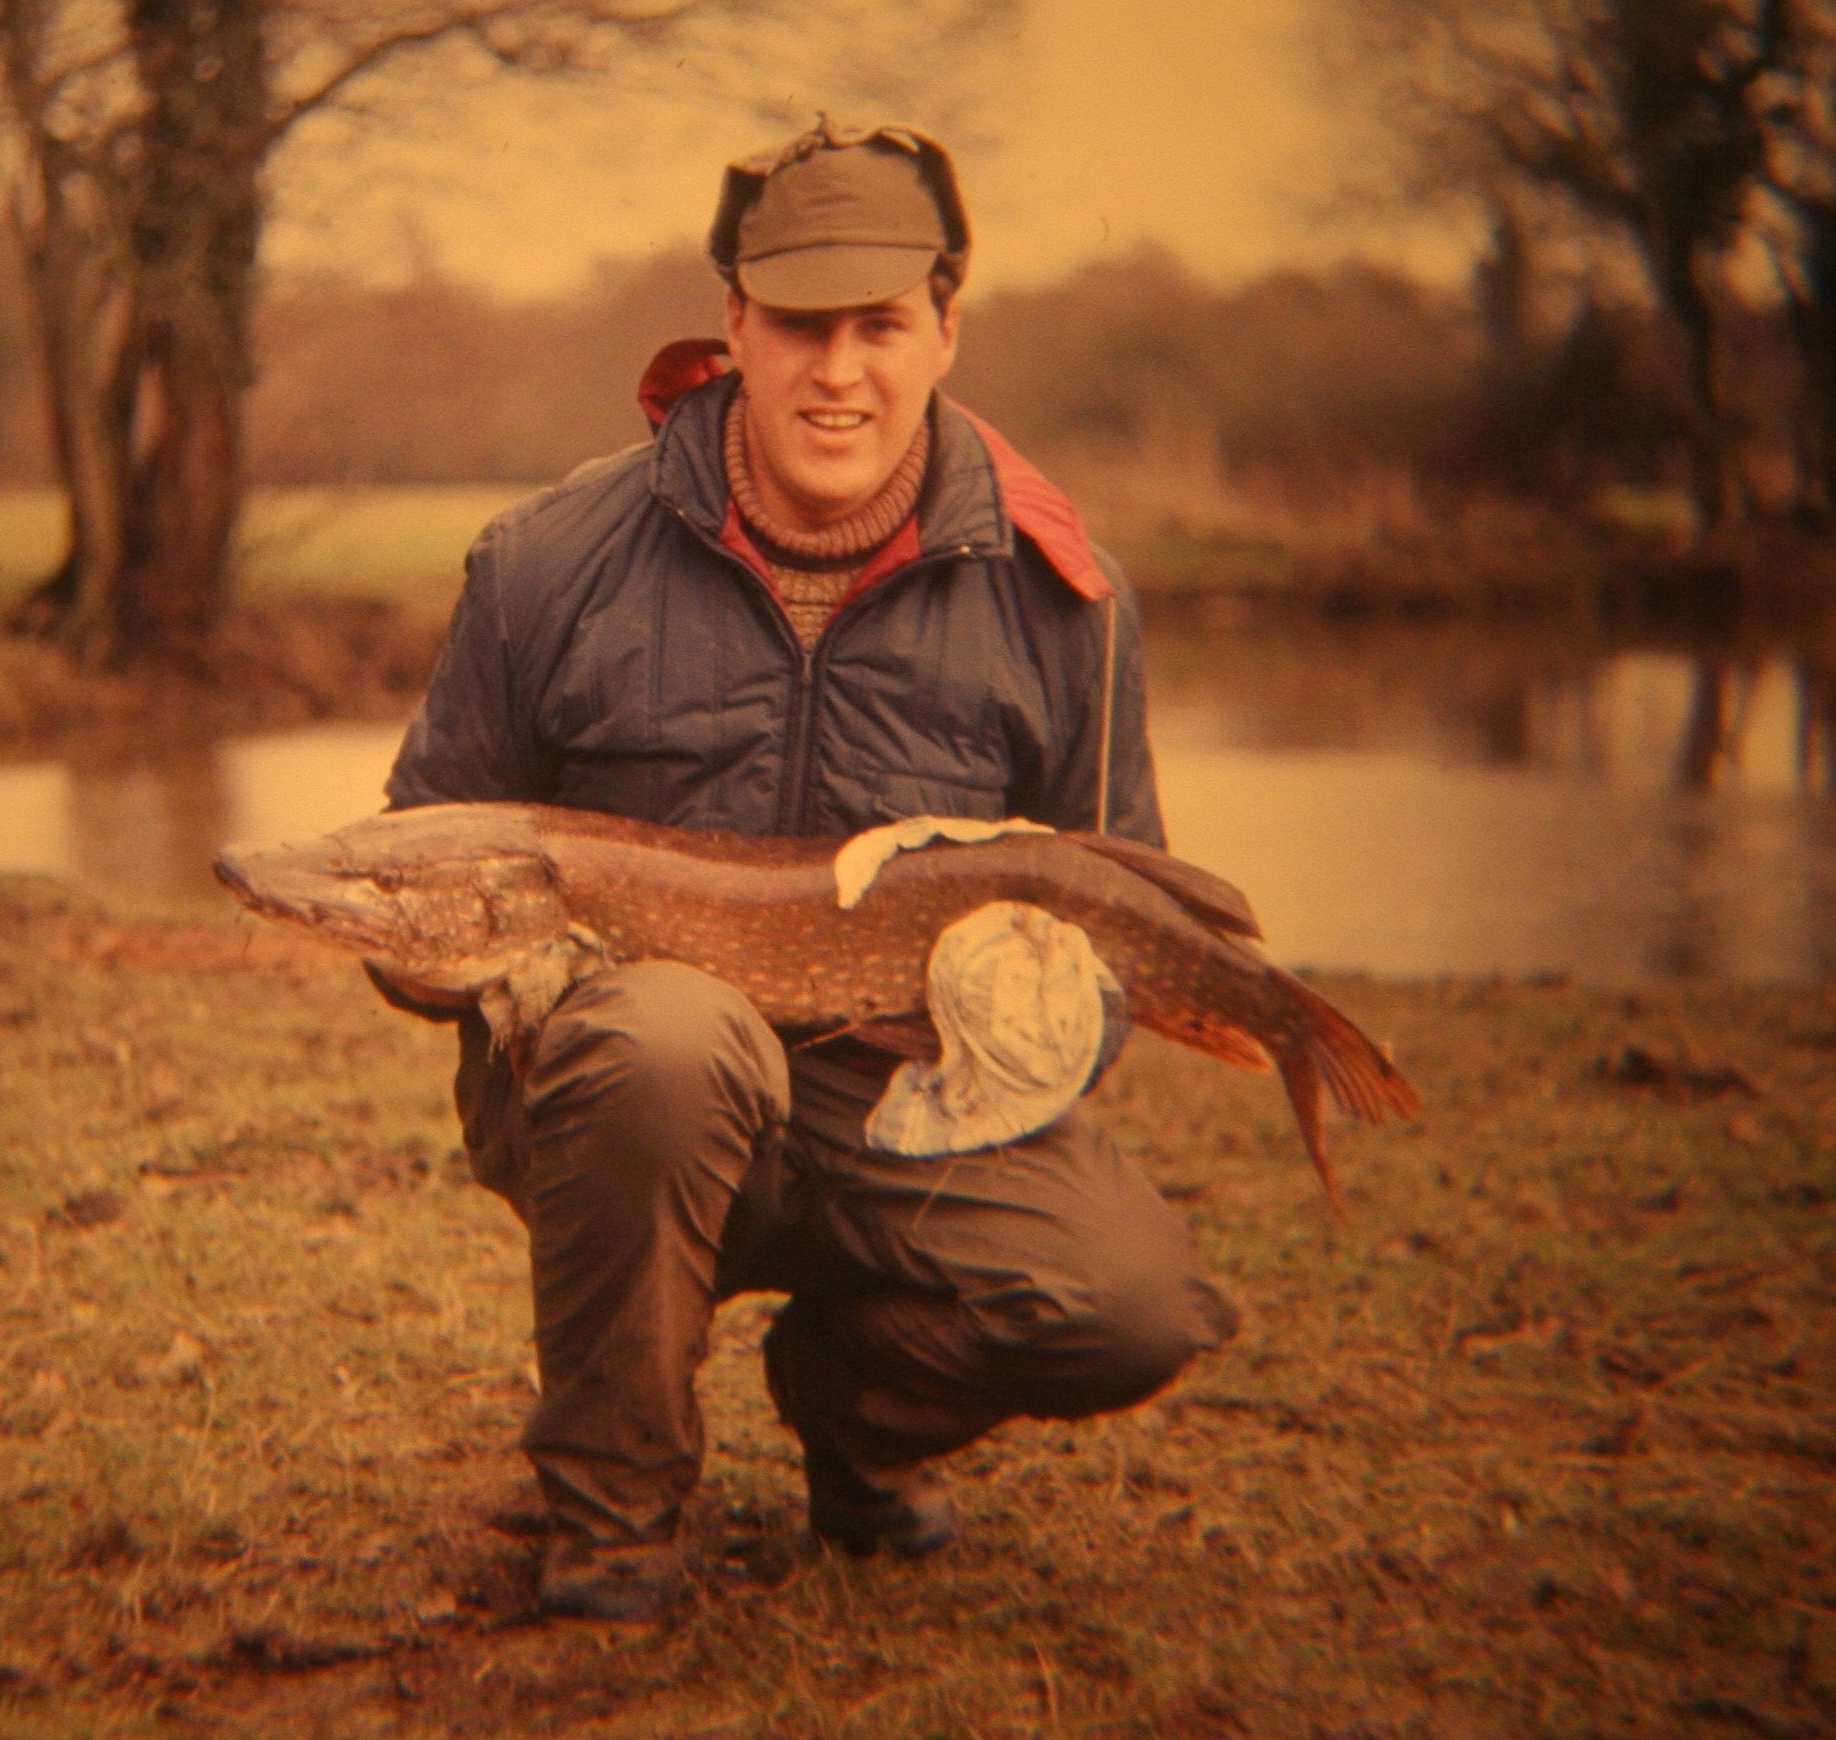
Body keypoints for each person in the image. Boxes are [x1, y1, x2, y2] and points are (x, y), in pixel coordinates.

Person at [383, 118, 1238, 1621]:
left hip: (900, 1097)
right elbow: (421, 866)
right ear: (731, 324)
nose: (836, 370)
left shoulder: (1070, 606)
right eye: (796, 325)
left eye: (879, 325)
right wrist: (451, 958)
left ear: (947, 326)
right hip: (623, 1083)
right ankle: (615, 1511)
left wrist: (1037, 1014)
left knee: (1129, 1303)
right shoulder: (548, 557)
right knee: (664, 1040)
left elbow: (1122, 946)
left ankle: (853, 1411)